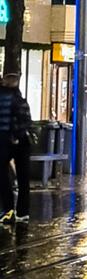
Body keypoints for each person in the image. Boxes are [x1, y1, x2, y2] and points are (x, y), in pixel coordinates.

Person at [0, 72, 32, 225]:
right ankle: (22, 212)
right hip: (19, 141)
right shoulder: (19, 98)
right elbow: (26, 120)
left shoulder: (6, 97)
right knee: (23, 176)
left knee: (3, 173)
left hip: (6, 140)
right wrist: (18, 135)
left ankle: (8, 209)